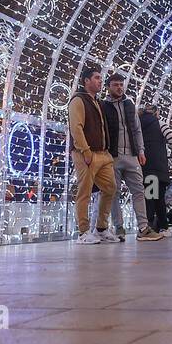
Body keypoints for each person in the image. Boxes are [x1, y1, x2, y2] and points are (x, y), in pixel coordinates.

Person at [102, 73, 163, 241]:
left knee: (139, 191)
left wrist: (141, 151)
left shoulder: (130, 105)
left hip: (132, 155)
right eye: (115, 85)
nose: (119, 87)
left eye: (121, 84)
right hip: (112, 156)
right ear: (109, 87)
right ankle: (119, 227)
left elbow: (137, 130)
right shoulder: (104, 106)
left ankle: (143, 227)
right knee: (113, 193)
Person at [68, 66, 118, 244]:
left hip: (103, 154)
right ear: (86, 81)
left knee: (110, 188)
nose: (100, 81)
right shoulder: (78, 100)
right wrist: (85, 150)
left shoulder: (97, 102)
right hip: (86, 154)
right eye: (96, 78)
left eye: (100, 78)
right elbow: (76, 127)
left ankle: (101, 228)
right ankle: (83, 232)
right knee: (84, 192)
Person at [139, 105, 171, 233]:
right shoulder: (159, 123)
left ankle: (149, 226)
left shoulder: (138, 125)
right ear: (156, 112)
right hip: (158, 167)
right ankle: (160, 226)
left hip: (145, 168)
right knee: (158, 199)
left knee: (150, 198)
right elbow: (171, 137)